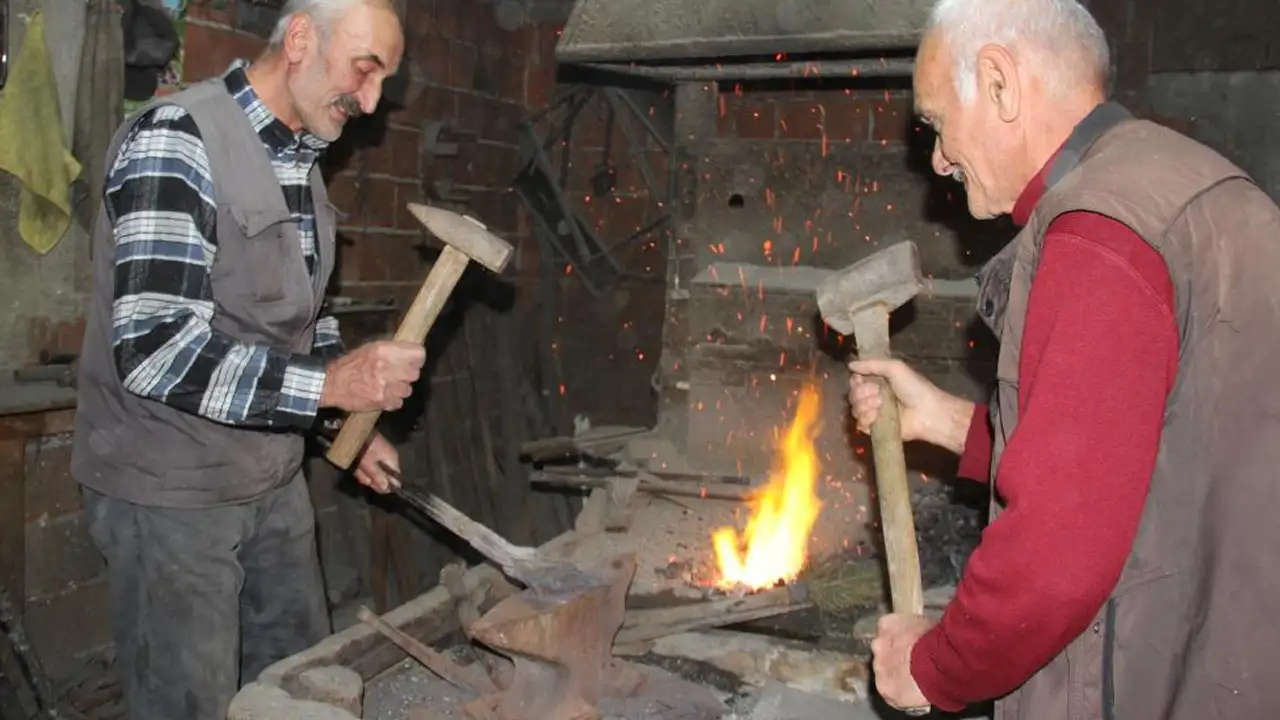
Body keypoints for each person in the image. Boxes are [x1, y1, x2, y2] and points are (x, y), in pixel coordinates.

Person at [848, 0, 1280, 718]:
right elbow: (1148, 454)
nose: (937, 159)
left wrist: (935, 666)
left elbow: (1054, 563)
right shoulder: (1193, 183)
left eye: (934, 123)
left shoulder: (1096, 234)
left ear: (999, 83)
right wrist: (955, 422)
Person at [71, 1, 416, 717]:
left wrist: (338, 422)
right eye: (365, 70)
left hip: (269, 481)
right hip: (171, 493)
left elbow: (298, 321)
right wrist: (329, 384)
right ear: (299, 40)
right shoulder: (180, 139)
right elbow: (157, 348)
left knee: (304, 686)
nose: (373, 101)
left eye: (384, 81)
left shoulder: (299, 160)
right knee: (190, 704)